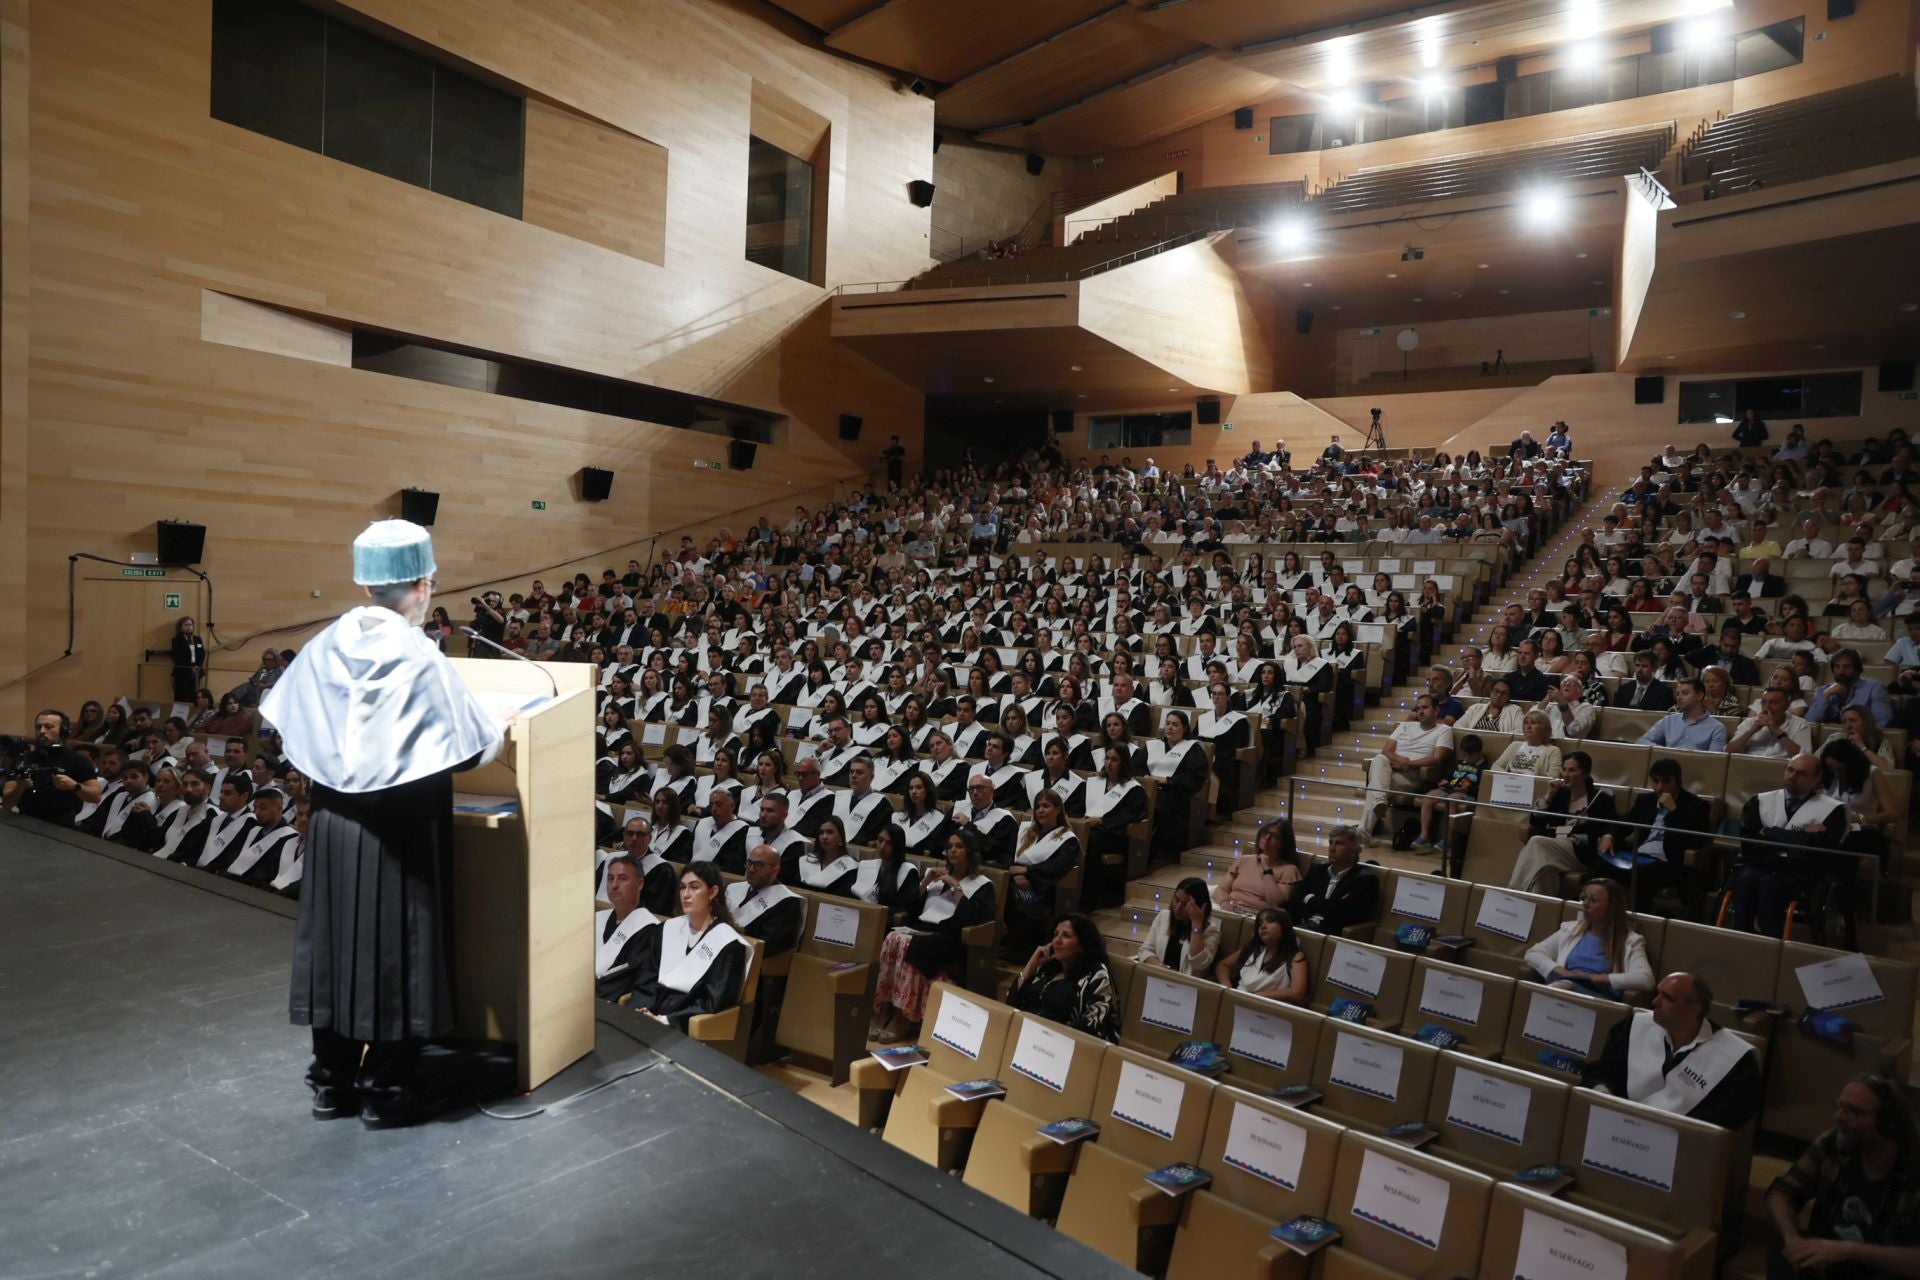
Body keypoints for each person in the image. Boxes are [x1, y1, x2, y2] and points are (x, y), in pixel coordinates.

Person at [260, 519, 505, 1128]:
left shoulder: (322, 644)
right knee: (401, 946)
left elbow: (288, 725)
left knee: (335, 943)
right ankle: (388, 1091)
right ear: (422, 585)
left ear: (363, 583)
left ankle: (332, 1083)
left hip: (336, 826)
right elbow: (473, 748)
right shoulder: (418, 655)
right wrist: (498, 728)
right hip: (402, 828)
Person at [1765, 1076, 1920, 1280]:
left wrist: (1848, 1250)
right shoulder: (1831, 1144)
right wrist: (1792, 1238)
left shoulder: (1913, 1169)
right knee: (1781, 1238)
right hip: (1822, 1265)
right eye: (1839, 1107)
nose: (1839, 1117)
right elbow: (1782, 1192)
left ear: (1888, 1123)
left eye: (1854, 1112)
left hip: (1878, 1272)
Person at [1580, 972, 1763, 1130]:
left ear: (1694, 1009)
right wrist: (1602, 1094)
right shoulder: (1632, 1028)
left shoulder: (1737, 1061)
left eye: (1667, 998)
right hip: (1613, 1126)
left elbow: (1727, 1118)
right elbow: (1602, 1070)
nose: (1654, 1002)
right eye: (1658, 993)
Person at [869, 829, 995, 1042]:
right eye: (950, 846)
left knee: (913, 945)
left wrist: (956, 887)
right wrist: (925, 883)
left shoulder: (982, 885)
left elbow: (970, 919)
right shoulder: (937, 878)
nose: (952, 850)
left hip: (949, 939)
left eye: (959, 846)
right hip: (922, 929)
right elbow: (912, 910)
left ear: (970, 851)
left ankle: (903, 1016)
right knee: (893, 937)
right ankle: (884, 1009)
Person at [1728, 753, 1850, 937]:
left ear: (1817, 779)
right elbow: (1749, 844)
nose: (1792, 776)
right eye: (1790, 770)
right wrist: (1800, 838)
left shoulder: (1833, 810)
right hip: (1758, 864)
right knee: (1746, 878)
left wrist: (1770, 833)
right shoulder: (1760, 801)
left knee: (1770, 882)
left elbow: (1820, 851)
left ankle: (1772, 943)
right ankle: (1741, 936)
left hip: (1798, 874)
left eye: (1801, 774)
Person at [625, 861, 747, 1029]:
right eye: (682, 887)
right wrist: (641, 1009)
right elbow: (647, 978)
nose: (685, 894)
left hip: (684, 1025)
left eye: (694, 887)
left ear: (712, 892)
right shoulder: (667, 929)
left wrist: (665, 1020)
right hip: (649, 1013)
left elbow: (712, 1001)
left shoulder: (728, 944)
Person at [1602, 757, 1713, 911]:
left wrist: (1674, 811)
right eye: (1655, 781)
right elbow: (1625, 822)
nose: (1660, 787)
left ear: (1677, 781)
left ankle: (1637, 921)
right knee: (1600, 863)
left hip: (1669, 862)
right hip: (1639, 856)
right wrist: (1609, 836)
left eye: (1666, 782)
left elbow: (1694, 841)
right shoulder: (1645, 800)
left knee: (1642, 875)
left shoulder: (1697, 806)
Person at [1508, 751, 1619, 897]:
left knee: (1536, 842)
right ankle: (1543, 911)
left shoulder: (1601, 799)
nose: (1566, 774)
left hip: (1581, 852)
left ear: (1585, 774)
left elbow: (1611, 826)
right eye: (1564, 769)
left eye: (1572, 770)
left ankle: (1512, 893)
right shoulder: (1560, 795)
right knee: (1545, 873)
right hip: (1554, 848)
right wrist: (1549, 795)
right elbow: (1536, 821)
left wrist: (1578, 838)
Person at [1523, 877, 1653, 999]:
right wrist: (1563, 972)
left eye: (1593, 900)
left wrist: (1597, 978)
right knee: (1561, 986)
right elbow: (1533, 953)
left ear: (1612, 907)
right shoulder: (1571, 930)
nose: (1585, 904)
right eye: (1584, 898)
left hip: (1597, 997)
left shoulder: (1631, 940)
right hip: (1562, 986)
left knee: (1559, 988)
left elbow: (1646, 979)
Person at [1008, 913, 1119, 1043]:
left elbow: (1093, 1023)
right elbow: (1011, 1002)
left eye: (1066, 935)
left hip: (1063, 1044)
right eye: (1056, 934)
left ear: (1082, 945)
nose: (1057, 941)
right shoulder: (1047, 967)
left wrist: (1047, 1037)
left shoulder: (1096, 973)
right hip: (1028, 1036)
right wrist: (1031, 964)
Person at [1357, 694, 1453, 840]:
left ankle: (1365, 827)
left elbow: (1437, 758)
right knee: (1379, 759)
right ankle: (1373, 812)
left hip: (1414, 775)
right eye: (1418, 708)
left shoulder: (1444, 730)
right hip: (1391, 770)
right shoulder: (1405, 726)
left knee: (1375, 788)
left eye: (1425, 707)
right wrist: (1399, 760)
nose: (1420, 711)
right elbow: (1386, 750)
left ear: (1436, 710)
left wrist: (1409, 764)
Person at [1003, 789, 1081, 954]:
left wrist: (1028, 871)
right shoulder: (1025, 831)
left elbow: (1059, 865)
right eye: (1037, 806)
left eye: (1046, 806)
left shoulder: (1067, 839)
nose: (1040, 810)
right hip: (1015, 882)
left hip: (1040, 891)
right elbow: (1008, 855)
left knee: (1011, 895)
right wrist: (1017, 874)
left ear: (1058, 809)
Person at [1, 709, 103, 825]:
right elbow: (7, 803)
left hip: (60, 825)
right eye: (38, 727)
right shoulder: (25, 759)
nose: (42, 731)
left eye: (48, 727)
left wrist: (74, 786)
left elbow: (96, 796)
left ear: (63, 731)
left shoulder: (78, 760)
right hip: (25, 820)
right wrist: (20, 787)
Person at [592, 855, 661, 1002]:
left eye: (622, 878)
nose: (614, 885)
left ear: (640, 884)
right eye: (610, 878)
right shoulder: (598, 918)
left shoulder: (648, 929)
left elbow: (624, 980)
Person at [1291, 824, 1380, 932]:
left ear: (1354, 851)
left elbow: (1342, 911)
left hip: (1332, 933)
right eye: (1330, 842)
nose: (1332, 848)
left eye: (1339, 843)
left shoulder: (1365, 880)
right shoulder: (1317, 871)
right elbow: (1295, 899)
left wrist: (1309, 899)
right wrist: (1324, 906)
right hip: (1303, 925)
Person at [1213, 907, 1311, 1002]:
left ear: (1284, 928)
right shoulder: (1252, 948)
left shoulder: (1295, 956)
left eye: (1270, 921)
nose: (1263, 926)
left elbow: (1297, 993)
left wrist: (1258, 996)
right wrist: (1229, 990)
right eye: (1260, 923)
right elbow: (1222, 966)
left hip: (1266, 1008)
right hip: (1236, 999)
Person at [724, 843, 804, 958]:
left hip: (747, 957)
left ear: (775, 870)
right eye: (749, 863)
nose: (751, 869)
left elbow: (768, 944)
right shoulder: (733, 888)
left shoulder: (787, 902)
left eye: (759, 865)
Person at [1134, 877, 1220, 977]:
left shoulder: (1211, 931)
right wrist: (1164, 970)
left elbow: (1198, 965)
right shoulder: (1164, 916)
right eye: (1176, 900)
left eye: (1185, 904)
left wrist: (1197, 924)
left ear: (1199, 906)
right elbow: (1145, 950)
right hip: (1159, 978)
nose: (1178, 908)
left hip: (1188, 987)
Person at [1415, 733, 1486, 851]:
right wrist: (1444, 782)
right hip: (1450, 788)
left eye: (1468, 756)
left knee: (1452, 799)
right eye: (1463, 755)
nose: (1465, 759)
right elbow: (1448, 776)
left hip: (1465, 793)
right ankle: (1424, 834)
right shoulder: (1459, 763)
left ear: (1476, 754)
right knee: (1428, 797)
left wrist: (1465, 789)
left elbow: (1480, 788)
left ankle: (1448, 839)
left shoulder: (1484, 767)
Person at [1215, 820, 1302, 914]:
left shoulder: (1289, 870)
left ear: (1284, 843)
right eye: (1265, 833)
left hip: (1257, 918)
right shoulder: (1244, 860)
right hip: (1230, 910)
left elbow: (1276, 904)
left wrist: (1267, 869)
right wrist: (1224, 903)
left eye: (1274, 836)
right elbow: (1221, 889)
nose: (1267, 838)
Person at [1636, 678, 1729, 752]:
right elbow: (1641, 741)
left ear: (1699, 696)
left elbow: (1715, 761)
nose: (1679, 697)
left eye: (1685, 693)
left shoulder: (1717, 728)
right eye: (1677, 694)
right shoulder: (1668, 721)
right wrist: (1665, 751)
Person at [170, 617, 207, 702]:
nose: (188, 627)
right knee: (182, 696)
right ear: (180, 627)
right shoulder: (176, 640)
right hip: (183, 672)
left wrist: (198, 666)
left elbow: (202, 654)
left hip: (197, 671)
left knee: (194, 696)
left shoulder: (198, 639)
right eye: (185, 625)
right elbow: (179, 656)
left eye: (190, 625)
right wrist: (190, 668)